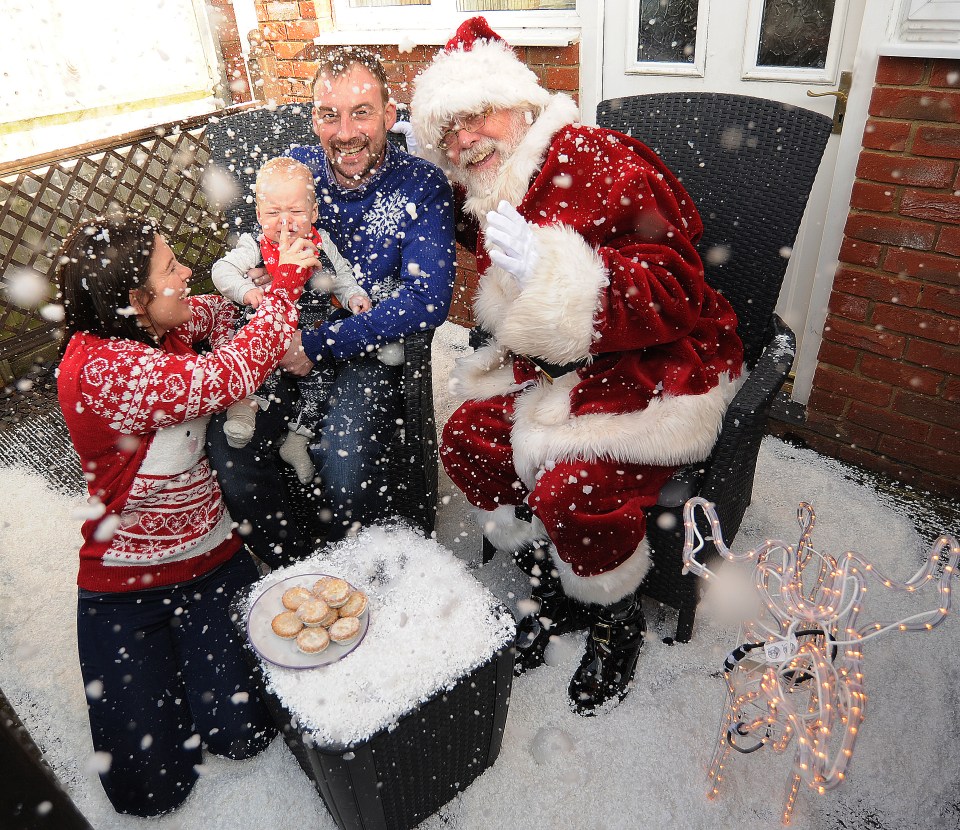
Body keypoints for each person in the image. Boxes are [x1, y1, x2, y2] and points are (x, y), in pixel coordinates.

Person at [411, 17, 744, 714]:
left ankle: (614, 618)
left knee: (572, 484)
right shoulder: (496, 184)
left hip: (659, 367)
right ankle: (552, 582)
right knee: (468, 437)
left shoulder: (596, 157)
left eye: (475, 116)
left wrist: (562, 277)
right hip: (562, 369)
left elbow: (678, 292)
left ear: (521, 104)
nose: (466, 139)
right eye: (449, 134)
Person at [55, 212, 315, 815]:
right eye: (171, 267)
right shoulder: (99, 368)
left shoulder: (163, 322)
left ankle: (190, 674)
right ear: (135, 300)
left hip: (214, 567)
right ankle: (163, 674)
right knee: (149, 792)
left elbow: (219, 313)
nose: (187, 271)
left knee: (245, 736)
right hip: (125, 591)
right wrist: (283, 291)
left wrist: (253, 281)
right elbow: (225, 374)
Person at [208, 46, 456, 547]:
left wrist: (319, 345)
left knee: (343, 464)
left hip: (369, 346)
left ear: (389, 115)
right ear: (314, 119)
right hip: (283, 333)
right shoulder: (294, 170)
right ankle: (294, 563)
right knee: (231, 451)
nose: (345, 133)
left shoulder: (421, 184)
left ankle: (357, 560)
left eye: (361, 112)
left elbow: (428, 300)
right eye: (329, 115)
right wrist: (256, 278)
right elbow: (252, 238)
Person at [212, 156, 373, 485]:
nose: (285, 222)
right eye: (273, 213)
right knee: (255, 374)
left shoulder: (321, 242)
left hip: (309, 337)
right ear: (259, 215)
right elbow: (221, 271)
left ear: (313, 213)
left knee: (323, 385)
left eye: (296, 212)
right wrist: (246, 291)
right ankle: (243, 412)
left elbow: (342, 277)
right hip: (265, 335)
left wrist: (353, 296)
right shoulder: (254, 246)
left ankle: (297, 440)